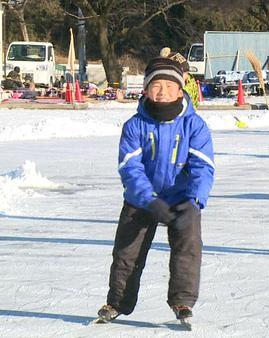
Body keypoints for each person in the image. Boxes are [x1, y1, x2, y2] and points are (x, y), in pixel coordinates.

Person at [95, 54, 215, 325]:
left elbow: (203, 167)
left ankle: (182, 301)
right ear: (147, 90)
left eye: (170, 87)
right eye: (157, 87)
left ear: (180, 90)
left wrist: (195, 200)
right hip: (142, 199)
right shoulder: (135, 125)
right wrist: (148, 199)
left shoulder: (194, 125)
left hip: (182, 197)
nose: (163, 93)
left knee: (188, 247)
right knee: (127, 252)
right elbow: (130, 167)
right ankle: (117, 302)